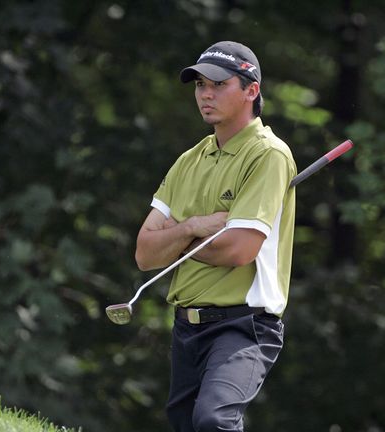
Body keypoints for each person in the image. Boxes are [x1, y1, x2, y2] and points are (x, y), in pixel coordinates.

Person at [134, 41, 297, 432]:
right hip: (187, 326)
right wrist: (194, 227)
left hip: (244, 324)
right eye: (200, 85)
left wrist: (173, 241)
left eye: (218, 84)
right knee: (186, 424)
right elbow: (144, 252)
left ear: (251, 90)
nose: (205, 94)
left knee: (214, 421)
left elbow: (238, 249)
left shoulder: (268, 155)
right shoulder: (189, 160)